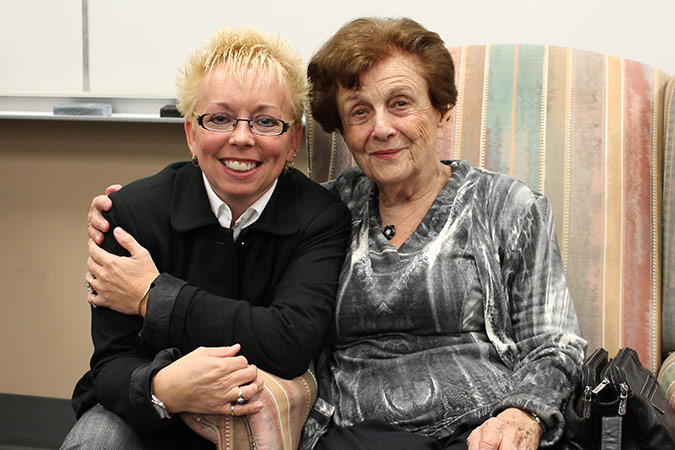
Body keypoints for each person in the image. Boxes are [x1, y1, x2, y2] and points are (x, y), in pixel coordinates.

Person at [86, 17, 586, 450]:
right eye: (360, 112)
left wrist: (523, 414)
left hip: (484, 428)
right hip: (356, 432)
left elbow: (557, 345)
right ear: (343, 131)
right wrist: (119, 214)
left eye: (401, 103)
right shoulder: (334, 208)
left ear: (441, 111)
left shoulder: (509, 207)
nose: (382, 128)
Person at [64, 27, 350, 449]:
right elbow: (111, 362)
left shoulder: (321, 217)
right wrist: (164, 389)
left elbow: (288, 342)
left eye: (266, 121)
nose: (241, 137)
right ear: (191, 135)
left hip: (259, 412)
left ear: (294, 142)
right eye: (219, 118)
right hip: (146, 407)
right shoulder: (129, 214)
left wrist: (154, 296)